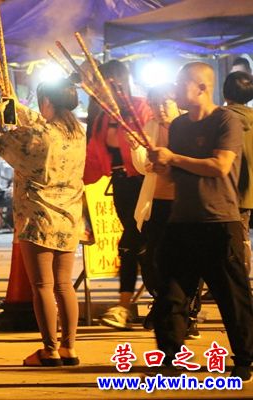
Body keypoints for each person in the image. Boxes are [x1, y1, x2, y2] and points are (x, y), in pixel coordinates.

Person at [149, 62, 253, 382]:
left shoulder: (226, 120)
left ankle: (245, 359)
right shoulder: (179, 125)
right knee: (171, 293)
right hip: (182, 220)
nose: (175, 91)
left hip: (219, 220)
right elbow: (176, 174)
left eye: (181, 84)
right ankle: (169, 357)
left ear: (202, 88)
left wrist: (173, 158)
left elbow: (220, 166)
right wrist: (162, 166)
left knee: (232, 297)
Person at [0, 79, 85, 367]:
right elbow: (36, 121)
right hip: (69, 217)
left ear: (47, 102)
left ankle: (49, 350)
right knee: (64, 285)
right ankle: (69, 348)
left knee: (42, 286)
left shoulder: (39, 136)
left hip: (38, 217)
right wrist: (15, 104)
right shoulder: (78, 133)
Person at [83, 60, 153, 330]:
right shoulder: (102, 118)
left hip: (144, 185)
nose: (98, 89)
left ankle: (129, 307)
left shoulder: (140, 108)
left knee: (135, 244)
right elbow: (93, 161)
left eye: (102, 83)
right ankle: (152, 304)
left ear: (117, 82)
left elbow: (151, 147)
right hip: (121, 188)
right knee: (134, 246)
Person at [130, 84, 202, 339]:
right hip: (157, 201)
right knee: (153, 258)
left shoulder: (189, 127)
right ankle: (164, 305)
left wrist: (168, 161)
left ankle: (187, 313)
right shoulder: (149, 128)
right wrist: (136, 149)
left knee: (189, 260)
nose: (159, 109)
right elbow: (143, 167)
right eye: (155, 104)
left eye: (165, 103)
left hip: (185, 203)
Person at [223, 71, 253, 277]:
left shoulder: (221, 118)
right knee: (241, 237)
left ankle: (238, 284)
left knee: (232, 240)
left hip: (226, 190)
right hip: (248, 192)